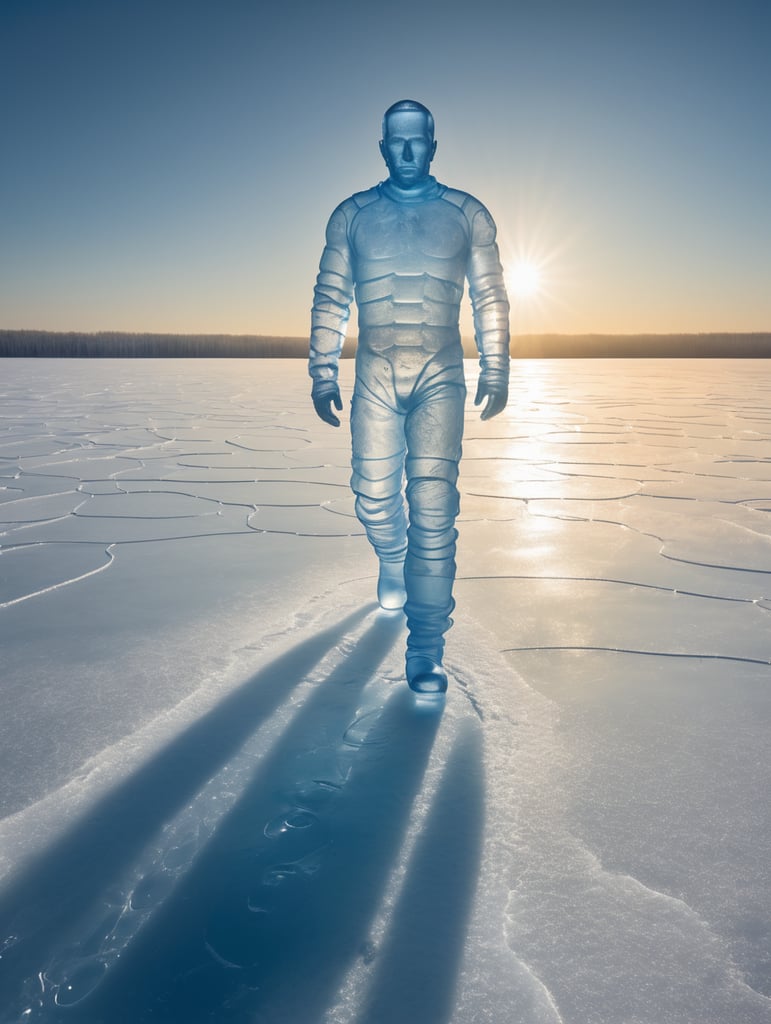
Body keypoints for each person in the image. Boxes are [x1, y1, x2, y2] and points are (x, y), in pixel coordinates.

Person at [309, 99, 510, 693]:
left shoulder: (466, 213)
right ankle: (391, 557)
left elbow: (490, 295)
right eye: (395, 141)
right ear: (381, 148)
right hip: (373, 372)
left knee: (433, 510)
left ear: (433, 145)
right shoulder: (352, 215)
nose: (406, 151)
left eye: (416, 140)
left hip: (439, 373)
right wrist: (323, 368)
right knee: (372, 498)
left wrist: (495, 364)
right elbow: (330, 296)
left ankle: (425, 646)